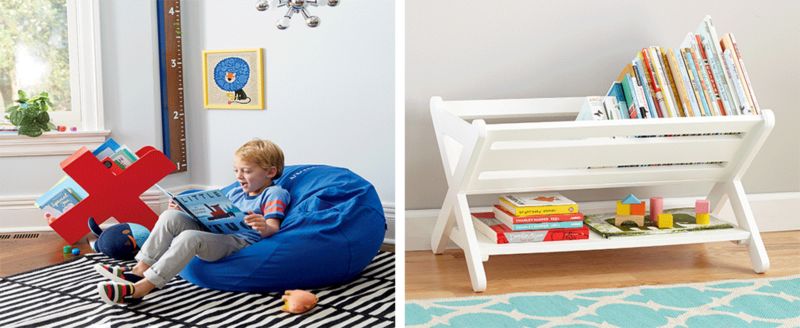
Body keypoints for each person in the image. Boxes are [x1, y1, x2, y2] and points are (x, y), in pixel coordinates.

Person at [94, 139, 290, 305]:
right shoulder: (236, 191)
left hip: (238, 241)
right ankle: (140, 270)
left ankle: (143, 288)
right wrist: (185, 208)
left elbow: (273, 228)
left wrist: (263, 226)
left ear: (270, 172)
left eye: (246, 171)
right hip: (216, 231)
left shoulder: (274, 193)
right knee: (169, 217)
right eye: (236, 170)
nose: (238, 176)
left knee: (189, 237)